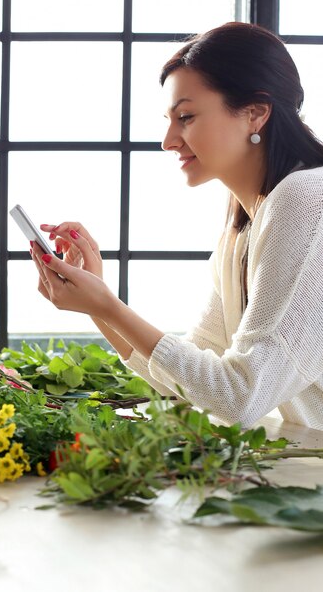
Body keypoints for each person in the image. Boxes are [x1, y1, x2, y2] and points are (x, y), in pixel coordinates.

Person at [30, 22, 323, 430]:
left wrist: (108, 306)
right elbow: (187, 383)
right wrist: (96, 303)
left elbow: (240, 396)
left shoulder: (308, 199)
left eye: (186, 117)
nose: (169, 140)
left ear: (256, 113)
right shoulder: (239, 231)